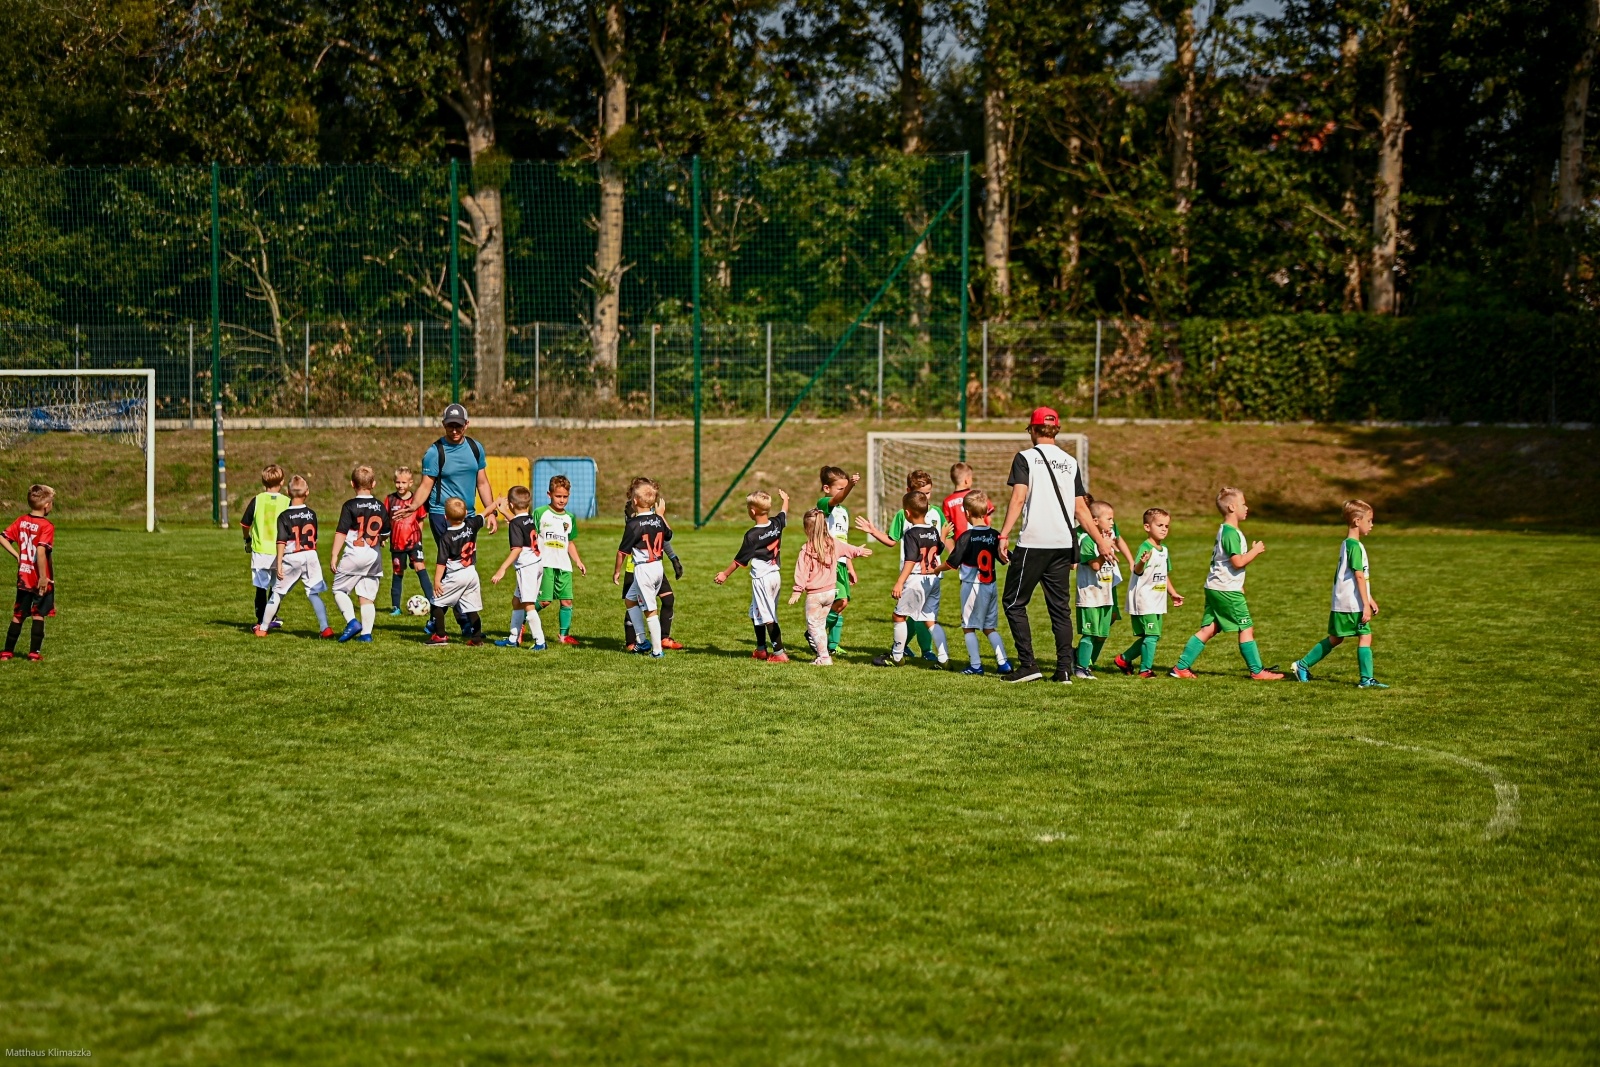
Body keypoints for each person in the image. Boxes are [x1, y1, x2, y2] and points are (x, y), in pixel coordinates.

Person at [997, 407, 1113, 684]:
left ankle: (1028, 665)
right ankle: (1063, 670)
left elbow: (1018, 500)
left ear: (1032, 429)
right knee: (1060, 609)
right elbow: (1082, 510)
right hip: (1063, 543)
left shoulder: (1025, 458)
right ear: (1056, 430)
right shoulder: (1070, 462)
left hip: (1034, 543)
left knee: (1013, 602)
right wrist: (1101, 543)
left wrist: (1003, 535)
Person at [392, 404, 497, 634]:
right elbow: (426, 485)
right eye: (450, 425)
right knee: (453, 569)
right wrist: (412, 507)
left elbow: (482, 482)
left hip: (468, 516)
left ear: (466, 425)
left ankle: (436, 619)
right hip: (442, 516)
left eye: (458, 425)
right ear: (443, 425)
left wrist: (491, 512)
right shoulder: (435, 452)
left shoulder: (475, 448)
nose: (455, 430)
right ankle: (463, 623)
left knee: (465, 567)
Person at [1169, 487, 1284, 680]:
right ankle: (1257, 671)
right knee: (1246, 627)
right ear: (1232, 507)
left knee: (1210, 628)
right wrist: (1255, 550)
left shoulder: (1225, 529)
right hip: (1225, 589)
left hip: (1216, 586)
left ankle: (1181, 668)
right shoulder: (1231, 532)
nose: (1246, 507)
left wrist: (1238, 583)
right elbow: (1237, 562)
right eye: (1243, 504)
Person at [1291, 500, 1388, 688]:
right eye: (1369, 521)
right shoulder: (1354, 546)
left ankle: (1302, 665)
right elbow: (1359, 576)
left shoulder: (1348, 544)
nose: (1372, 525)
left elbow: (1357, 577)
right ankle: (1366, 679)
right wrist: (1365, 604)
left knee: (1337, 638)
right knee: (1364, 636)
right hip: (1352, 603)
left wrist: (1369, 598)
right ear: (1357, 521)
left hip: (1344, 602)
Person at [856, 469, 946, 661]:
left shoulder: (937, 513)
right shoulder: (902, 516)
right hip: (924, 575)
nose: (925, 497)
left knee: (908, 616)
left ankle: (910, 652)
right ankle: (935, 655)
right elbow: (891, 540)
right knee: (922, 617)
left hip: (915, 575)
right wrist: (873, 531)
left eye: (928, 492)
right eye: (921, 493)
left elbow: (938, 546)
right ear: (908, 491)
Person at [937, 489, 1012, 676]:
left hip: (972, 587)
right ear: (986, 512)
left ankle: (976, 665)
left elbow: (952, 563)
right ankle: (1003, 663)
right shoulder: (995, 535)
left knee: (968, 626)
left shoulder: (966, 537)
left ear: (967, 513)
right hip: (991, 586)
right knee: (989, 627)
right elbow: (1005, 559)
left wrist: (935, 569)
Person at [873, 490, 950, 668]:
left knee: (899, 616)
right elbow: (938, 550)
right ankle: (944, 659)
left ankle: (897, 656)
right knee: (930, 619)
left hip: (916, 579)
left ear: (907, 513)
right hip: (932, 579)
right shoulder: (932, 530)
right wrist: (943, 535)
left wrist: (900, 581)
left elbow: (911, 559)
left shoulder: (910, 534)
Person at [254, 475, 335, 638]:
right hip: (311, 555)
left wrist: (279, 562)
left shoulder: (284, 516)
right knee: (313, 593)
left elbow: (281, 541)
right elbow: (315, 539)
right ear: (307, 492)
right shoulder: (311, 514)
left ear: (288, 492)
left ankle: (263, 628)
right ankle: (325, 628)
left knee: (276, 593)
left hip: (292, 556)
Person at [714, 489, 790, 662]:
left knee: (768, 615)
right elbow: (784, 512)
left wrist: (724, 575)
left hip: (762, 578)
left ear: (753, 511)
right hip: (775, 576)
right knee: (756, 612)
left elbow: (739, 560)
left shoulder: (752, 535)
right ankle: (761, 649)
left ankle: (779, 653)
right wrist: (785, 499)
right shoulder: (776, 524)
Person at [789, 507, 872, 667]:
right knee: (820, 624)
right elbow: (849, 550)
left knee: (814, 626)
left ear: (807, 529)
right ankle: (823, 655)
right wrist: (859, 551)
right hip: (830, 593)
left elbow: (801, 572)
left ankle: (824, 657)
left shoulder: (807, 549)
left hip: (815, 595)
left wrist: (797, 591)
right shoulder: (833, 543)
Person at [1114, 507, 1184, 677]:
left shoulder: (1164, 550)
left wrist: (1172, 593)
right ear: (1147, 527)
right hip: (1144, 599)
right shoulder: (1145, 548)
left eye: (1167, 526)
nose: (1164, 529)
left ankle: (1124, 659)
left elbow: (1163, 575)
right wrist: (1141, 562)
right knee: (1152, 636)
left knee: (1153, 636)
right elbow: (1137, 571)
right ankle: (1145, 670)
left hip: (1157, 600)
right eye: (1160, 525)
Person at [328, 465, 391, 643]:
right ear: (374, 484)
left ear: (352, 483)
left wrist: (334, 555)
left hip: (355, 554)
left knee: (339, 590)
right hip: (373, 556)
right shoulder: (379, 505)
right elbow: (386, 531)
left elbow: (341, 532)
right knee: (367, 597)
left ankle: (352, 622)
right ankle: (366, 634)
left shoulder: (349, 505)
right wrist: (381, 539)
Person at [620, 477, 684, 651]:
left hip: (653, 564)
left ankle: (663, 638)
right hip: (636, 566)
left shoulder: (651, 514)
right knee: (633, 602)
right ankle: (632, 641)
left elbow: (661, 538)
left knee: (668, 599)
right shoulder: (633, 511)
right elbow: (634, 539)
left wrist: (673, 558)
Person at [1, 484, 56, 661]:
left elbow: (2, 537)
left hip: (23, 577)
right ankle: (34, 654)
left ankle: (7, 652)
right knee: (38, 614)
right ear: (47, 506)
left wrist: (18, 555)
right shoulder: (46, 526)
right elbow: (41, 551)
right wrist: (42, 577)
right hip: (38, 578)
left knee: (18, 615)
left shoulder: (21, 520)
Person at [1072, 500, 1124, 680]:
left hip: (1106, 595)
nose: (1112, 522)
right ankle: (1080, 667)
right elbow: (1094, 565)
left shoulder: (1106, 538)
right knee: (1090, 633)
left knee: (1101, 635)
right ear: (1094, 521)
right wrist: (1106, 548)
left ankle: (1087, 663)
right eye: (1109, 519)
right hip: (1090, 596)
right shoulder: (1088, 540)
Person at [491, 485, 546, 650]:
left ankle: (540, 641)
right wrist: (505, 513)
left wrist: (502, 568)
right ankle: (513, 638)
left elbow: (517, 549)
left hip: (527, 567)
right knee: (517, 602)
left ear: (512, 505)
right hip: (537, 564)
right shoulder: (529, 518)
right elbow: (518, 522)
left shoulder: (515, 524)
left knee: (528, 604)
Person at [426, 496, 486, 647]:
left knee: (437, 602)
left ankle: (440, 636)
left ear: (445, 517)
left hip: (456, 575)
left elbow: (441, 563)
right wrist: (495, 504)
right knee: (471, 607)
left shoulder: (446, 537)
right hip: (472, 573)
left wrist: (437, 581)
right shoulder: (471, 524)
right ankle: (477, 638)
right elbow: (484, 514)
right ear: (466, 513)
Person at [533, 474, 586, 644]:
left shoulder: (569, 517)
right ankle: (522, 617)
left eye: (565, 497)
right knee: (545, 601)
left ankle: (564, 636)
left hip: (564, 565)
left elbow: (569, 542)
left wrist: (578, 561)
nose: (562, 500)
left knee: (567, 600)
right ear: (549, 494)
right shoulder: (540, 513)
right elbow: (531, 536)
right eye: (558, 496)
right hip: (545, 564)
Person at [815, 466, 862, 655]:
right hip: (828, 563)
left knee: (840, 606)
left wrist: (850, 565)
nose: (843, 493)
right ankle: (814, 632)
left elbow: (843, 542)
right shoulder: (824, 503)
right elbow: (837, 499)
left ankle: (833, 646)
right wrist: (850, 485)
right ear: (827, 488)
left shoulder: (844, 512)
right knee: (841, 601)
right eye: (839, 488)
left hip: (841, 563)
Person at [239, 464, 290, 629]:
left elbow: (245, 524)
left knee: (261, 587)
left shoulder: (257, 500)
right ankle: (271, 617)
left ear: (263, 481)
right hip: (280, 551)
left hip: (261, 550)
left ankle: (261, 620)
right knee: (276, 588)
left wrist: (247, 539)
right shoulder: (287, 502)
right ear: (282, 482)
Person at [385, 467, 434, 614]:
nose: (400, 485)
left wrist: (419, 537)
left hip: (413, 543)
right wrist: (384, 536)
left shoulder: (416, 500)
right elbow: (386, 520)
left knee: (420, 567)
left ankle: (432, 601)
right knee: (397, 572)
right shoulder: (390, 500)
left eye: (404, 482)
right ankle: (396, 607)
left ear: (410, 483)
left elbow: (420, 520)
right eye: (398, 482)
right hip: (397, 544)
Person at [943, 462, 992, 540]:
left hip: (961, 542)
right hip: (981, 538)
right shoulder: (978, 496)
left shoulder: (947, 501)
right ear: (967, 480)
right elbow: (988, 518)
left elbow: (947, 526)